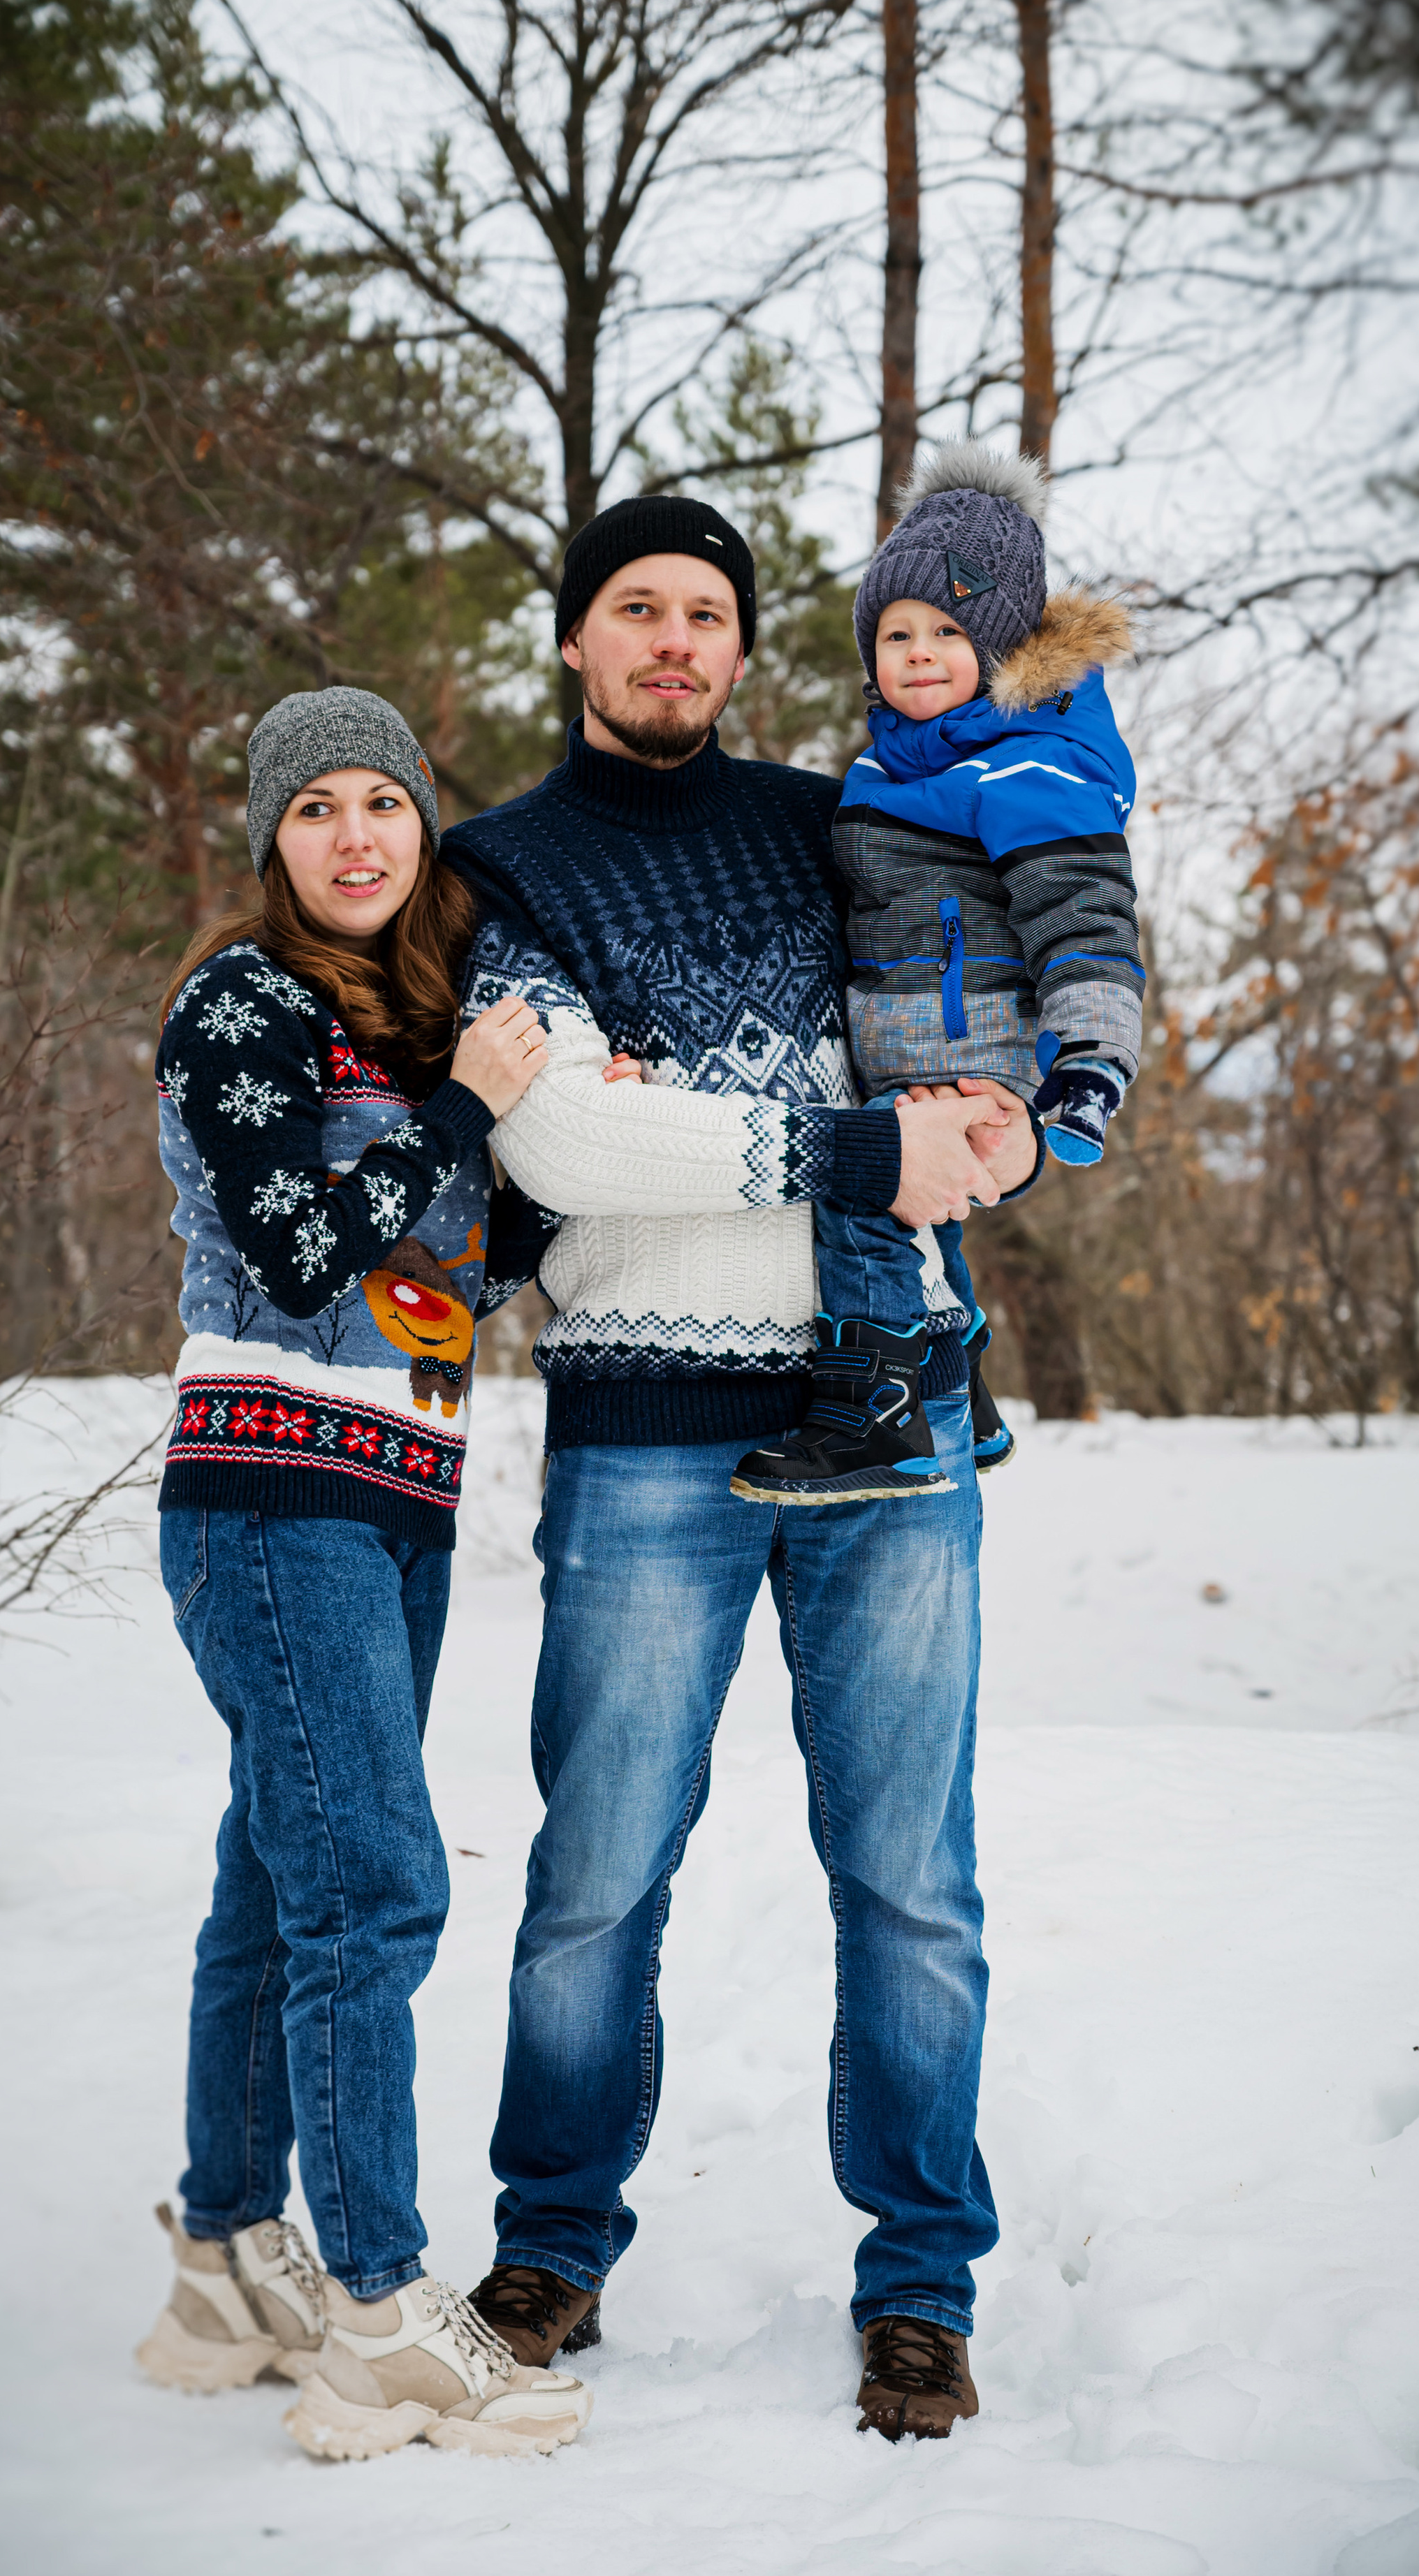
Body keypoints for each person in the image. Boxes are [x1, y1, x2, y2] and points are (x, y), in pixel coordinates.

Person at [440, 495, 1044, 2441]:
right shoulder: (497, 873)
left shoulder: (840, 819)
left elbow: (984, 1001)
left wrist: (1013, 1123)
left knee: (911, 1879)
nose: (677, 641)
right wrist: (852, 1153)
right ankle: (551, 2243)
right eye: (639, 609)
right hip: (645, 1434)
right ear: (576, 643)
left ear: (739, 644)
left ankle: (923, 2284)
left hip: (889, 1423)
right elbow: (561, 1154)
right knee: (599, 1876)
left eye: (709, 612)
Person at [136, 684, 592, 2465]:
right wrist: (461, 1108)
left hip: (389, 1496)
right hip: (268, 1496)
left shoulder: (417, 1032)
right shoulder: (239, 1004)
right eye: (314, 806)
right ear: (275, 841)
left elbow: (446, 1287)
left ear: (420, 832)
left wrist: (531, 1121)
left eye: (382, 805)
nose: (352, 836)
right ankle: (383, 2320)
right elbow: (298, 1239)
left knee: (282, 1874)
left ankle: (227, 2264)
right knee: (375, 1892)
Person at [732, 438, 1141, 1505]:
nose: (917, 652)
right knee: (920, 1216)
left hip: (975, 1052)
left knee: (863, 1198)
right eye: (896, 632)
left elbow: (1086, 917)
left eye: (948, 632)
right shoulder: (894, 762)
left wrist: (1090, 1063)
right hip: (910, 1045)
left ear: (1002, 645)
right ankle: (957, 1378)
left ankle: (880, 1409)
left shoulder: (1028, 763)